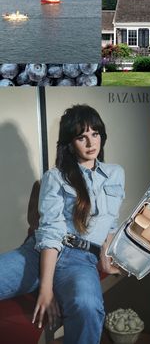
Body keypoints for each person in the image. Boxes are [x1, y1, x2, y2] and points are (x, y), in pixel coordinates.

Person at [0, 104, 125, 344]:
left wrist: (105, 261)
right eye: (81, 137)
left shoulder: (115, 173)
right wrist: (46, 289)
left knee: (88, 307)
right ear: (70, 142)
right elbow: (50, 232)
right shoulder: (55, 177)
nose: (91, 143)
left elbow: (110, 222)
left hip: (81, 262)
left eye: (95, 134)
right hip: (38, 254)